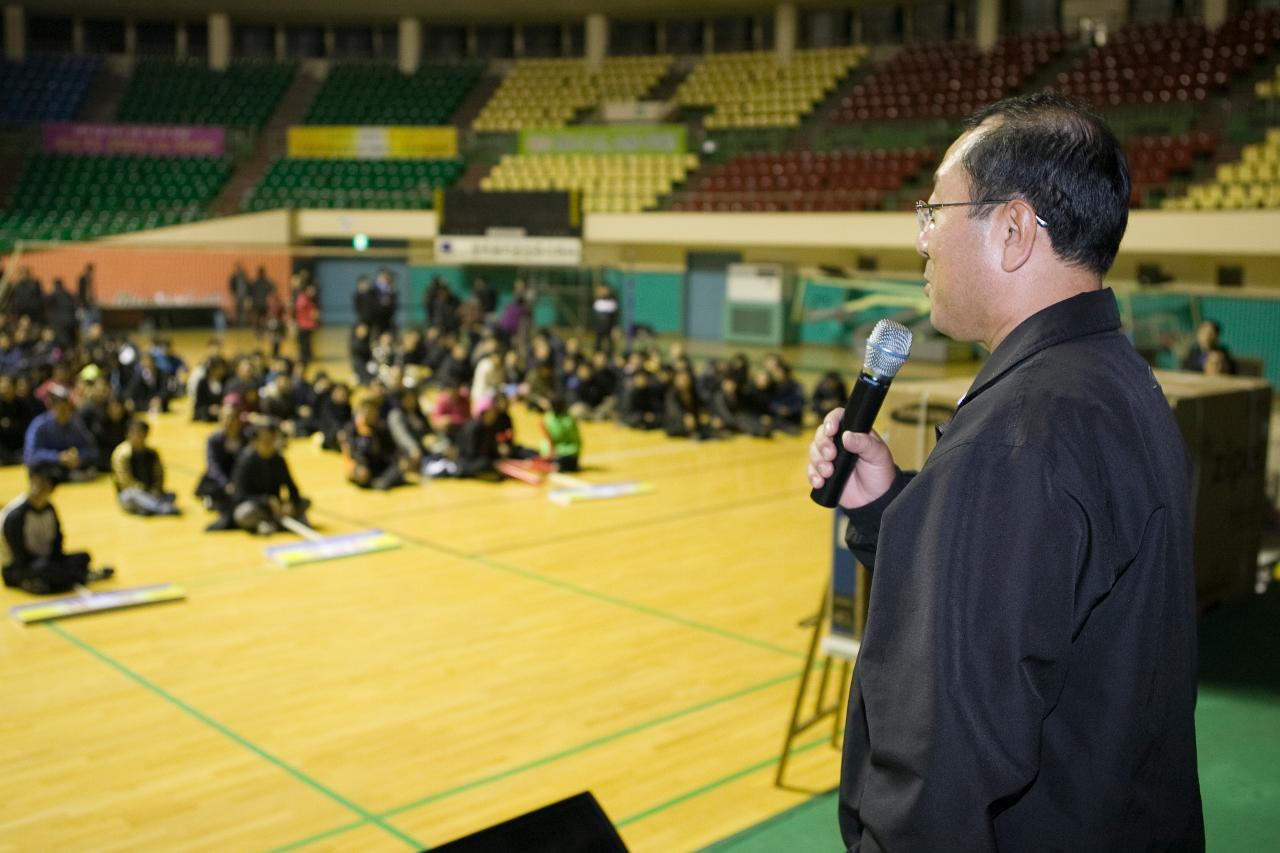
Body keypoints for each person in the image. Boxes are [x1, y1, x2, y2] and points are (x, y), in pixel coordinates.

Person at [806, 93, 1202, 851]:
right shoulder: (1118, 384)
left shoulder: (1018, 436)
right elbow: (1034, 590)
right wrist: (890, 503)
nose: (923, 240)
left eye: (935, 211)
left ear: (1014, 229)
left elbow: (943, 770)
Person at [2, 465, 113, 594]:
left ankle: (57, 580)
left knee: (83, 557)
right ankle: (79, 577)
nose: (38, 488)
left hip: (45, 561)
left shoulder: (50, 509)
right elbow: (18, 554)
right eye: (36, 483)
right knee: (45, 569)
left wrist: (55, 560)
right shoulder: (16, 515)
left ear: (51, 489)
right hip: (20, 566)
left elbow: (58, 539)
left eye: (43, 485)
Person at [230, 420, 309, 535]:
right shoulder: (245, 461)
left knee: (305, 502)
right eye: (266, 441)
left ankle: (276, 522)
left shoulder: (279, 459)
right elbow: (240, 495)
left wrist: (291, 502)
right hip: (257, 506)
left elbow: (292, 486)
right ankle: (265, 523)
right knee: (243, 513)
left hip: (278, 506)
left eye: (272, 440)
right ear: (255, 442)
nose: (270, 444)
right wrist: (266, 500)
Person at [23, 385, 100, 482]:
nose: (65, 413)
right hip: (50, 467)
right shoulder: (39, 425)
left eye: (67, 409)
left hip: (71, 466)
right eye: (61, 409)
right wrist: (58, 457)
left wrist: (78, 457)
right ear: (52, 407)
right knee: (38, 468)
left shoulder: (75, 423)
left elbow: (92, 449)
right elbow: (31, 455)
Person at [111, 419, 179, 516]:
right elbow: (124, 481)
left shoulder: (152, 453)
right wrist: (145, 490)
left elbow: (159, 474)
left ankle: (147, 508)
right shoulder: (122, 454)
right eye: (135, 433)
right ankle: (160, 508)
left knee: (171, 495)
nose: (138, 436)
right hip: (131, 492)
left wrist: (156, 488)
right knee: (133, 495)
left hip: (150, 492)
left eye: (141, 433)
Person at [196, 404, 247, 530]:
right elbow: (213, 466)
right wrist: (225, 484)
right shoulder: (214, 440)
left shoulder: (246, 439)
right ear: (220, 420)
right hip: (219, 479)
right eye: (226, 418)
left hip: (238, 479)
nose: (230, 422)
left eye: (233, 418)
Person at [540, 393, 581, 472]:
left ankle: (557, 465)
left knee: (564, 460)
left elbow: (575, 445)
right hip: (554, 453)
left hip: (566, 453)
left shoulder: (567, 421)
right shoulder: (548, 419)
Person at [294, 283, 319, 370]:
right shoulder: (303, 299)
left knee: (306, 341)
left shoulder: (308, 299)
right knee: (304, 341)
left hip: (307, 324)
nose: (313, 292)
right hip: (303, 324)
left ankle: (307, 356)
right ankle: (305, 357)